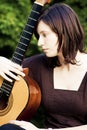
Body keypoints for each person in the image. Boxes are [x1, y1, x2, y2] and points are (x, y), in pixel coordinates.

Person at [0, 2, 87, 130]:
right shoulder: (39, 65)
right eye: (39, 36)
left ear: (64, 32)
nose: (40, 43)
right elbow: (10, 71)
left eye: (45, 35)